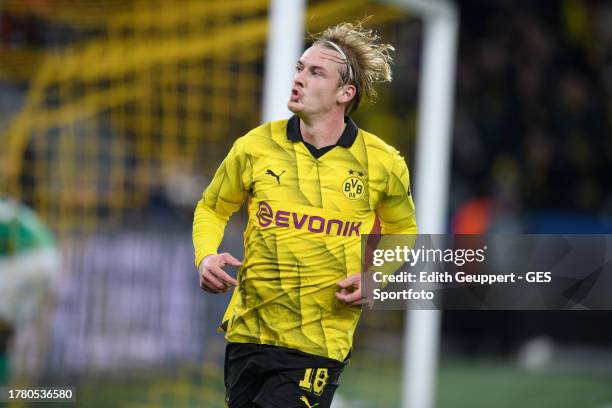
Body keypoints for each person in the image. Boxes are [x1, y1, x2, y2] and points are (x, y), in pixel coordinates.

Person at [193, 21, 417, 408]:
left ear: (345, 93)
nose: (298, 79)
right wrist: (206, 255)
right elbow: (213, 207)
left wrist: (374, 276)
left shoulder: (382, 162)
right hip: (249, 332)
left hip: (319, 341)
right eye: (299, 68)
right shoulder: (255, 146)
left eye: (315, 73)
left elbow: (404, 229)